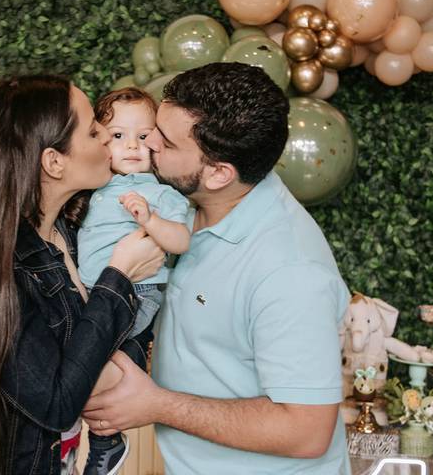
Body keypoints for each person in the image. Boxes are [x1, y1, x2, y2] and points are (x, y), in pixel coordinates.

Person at [83, 62, 352, 474]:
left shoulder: (291, 271)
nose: (148, 141)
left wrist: (156, 404)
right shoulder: (186, 204)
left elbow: (307, 432)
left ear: (218, 173)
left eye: (165, 140)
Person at [0, 75, 165, 475]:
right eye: (93, 131)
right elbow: (57, 402)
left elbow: (97, 357)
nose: (106, 137)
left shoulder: (70, 229)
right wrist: (119, 275)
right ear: (53, 162)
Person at [77, 87, 191, 475]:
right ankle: (103, 440)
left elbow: (182, 240)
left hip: (138, 292)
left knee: (93, 359)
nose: (132, 146)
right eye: (118, 136)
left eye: (143, 136)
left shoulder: (161, 193)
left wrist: (150, 220)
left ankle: (105, 442)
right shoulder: (94, 188)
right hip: (93, 292)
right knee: (81, 363)